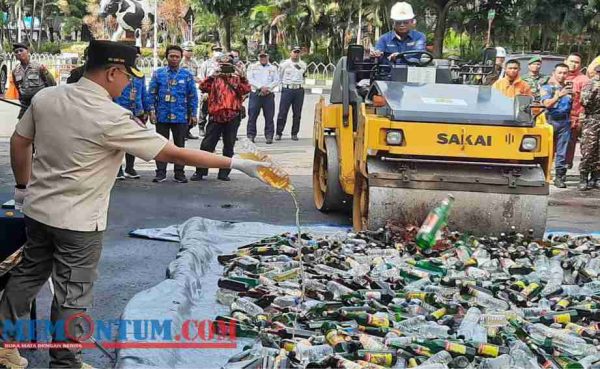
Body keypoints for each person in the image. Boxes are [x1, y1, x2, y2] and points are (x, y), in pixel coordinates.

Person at [2, 40, 268, 369]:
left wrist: (21, 186)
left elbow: (19, 140)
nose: (129, 83)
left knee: (28, 275)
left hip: (37, 210)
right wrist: (236, 163)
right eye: (128, 77)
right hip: (79, 223)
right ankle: (66, 363)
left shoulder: (46, 97)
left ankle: (4, 345)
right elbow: (173, 153)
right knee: (74, 294)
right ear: (112, 72)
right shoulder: (111, 117)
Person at [192, 54, 251, 181]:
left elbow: (246, 90)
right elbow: (202, 87)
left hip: (233, 115)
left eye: (228, 66)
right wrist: (212, 75)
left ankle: (224, 173)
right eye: (222, 66)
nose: (225, 69)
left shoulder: (236, 79)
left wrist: (242, 76)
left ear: (232, 65)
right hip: (216, 116)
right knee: (207, 145)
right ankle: (200, 171)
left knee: (229, 146)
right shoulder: (214, 79)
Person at [148, 45, 198, 183]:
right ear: (167, 57)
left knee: (179, 146)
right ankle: (160, 172)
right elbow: (151, 94)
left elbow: (193, 96)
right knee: (160, 146)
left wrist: (193, 114)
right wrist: (151, 111)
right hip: (162, 115)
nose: (174, 59)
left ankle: (179, 173)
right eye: (172, 56)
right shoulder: (158, 74)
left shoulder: (186, 75)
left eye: (177, 56)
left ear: (181, 58)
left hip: (181, 116)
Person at [114, 46, 149, 180]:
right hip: (120, 110)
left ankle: (130, 167)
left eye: (137, 57)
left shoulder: (139, 74)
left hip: (137, 111)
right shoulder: (118, 72)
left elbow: (143, 93)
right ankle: (118, 169)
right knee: (118, 142)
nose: (135, 59)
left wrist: (146, 109)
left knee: (132, 141)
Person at [541, 63, 573, 188]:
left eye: (565, 73)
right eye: (559, 72)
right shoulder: (547, 88)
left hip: (564, 122)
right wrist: (558, 96)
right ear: (554, 73)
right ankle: (544, 174)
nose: (562, 75)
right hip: (550, 120)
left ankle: (559, 176)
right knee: (546, 150)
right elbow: (546, 104)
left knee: (562, 152)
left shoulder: (569, 88)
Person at [11, 43, 56, 118]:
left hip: (40, 102)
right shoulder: (15, 71)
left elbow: (52, 83)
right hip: (25, 104)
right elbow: (17, 86)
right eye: (16, 52)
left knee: (42, 125)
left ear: (27, 51)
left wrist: (46, 72)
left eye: (21, 50)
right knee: (21, 127)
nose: (19, 53)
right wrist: (21, 97)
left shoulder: (39, 67)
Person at [246, 50, 280, 144]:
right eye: (261, 57)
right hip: (256, 94)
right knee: (252, 115)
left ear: (268, 57)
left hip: (268, 94)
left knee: (269, 116)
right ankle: (251, 135)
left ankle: (269, 136)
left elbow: (277, 80)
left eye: (264, 56)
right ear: (258, 57)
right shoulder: (252, 67)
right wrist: (261, 87)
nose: (263, 58)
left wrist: (267, 88)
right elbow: (250, 79)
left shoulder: (273, 68)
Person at [565, 52, 590, 169]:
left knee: (570, 144)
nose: (573, 64)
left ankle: (565, 167)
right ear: (566, 61)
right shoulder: (558, 75)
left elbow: (586, 102)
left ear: (580, 65)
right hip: (557, 117)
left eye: (577, 62)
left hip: (575, 118)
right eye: (571, 61)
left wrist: (581, 118)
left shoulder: (584, 80)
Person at [276, 46, 307, 141]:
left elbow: (304, 75)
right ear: (290, 53)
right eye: (294, 52)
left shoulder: (303, 64)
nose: (296, 54)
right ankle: (278, 133)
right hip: (287, 89)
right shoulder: (285, 64)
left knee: (297, 113)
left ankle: (294, 133)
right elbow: (279, 76)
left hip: (298, 90)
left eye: (298, 52)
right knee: (282, 112)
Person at [578, 64, 600, 190]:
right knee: (589, 149)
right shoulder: (590, 84)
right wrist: (594, 91)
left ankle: (596, 177)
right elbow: (584, 102)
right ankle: (583, 177)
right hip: (592, 119)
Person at [198, 44, 224, 136]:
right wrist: (204, 92)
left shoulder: (223, 64)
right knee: (204, 110)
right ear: (212, 52)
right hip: (208, 91)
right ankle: (201, 127)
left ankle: (215, 130)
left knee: (217, 111)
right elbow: (202, 77)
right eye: (216, 50)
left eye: (219, 50)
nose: (218, 52)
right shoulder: (206, 64)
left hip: (219, 92)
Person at [181, 41, 201, 140]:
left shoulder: (194, 63)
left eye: (191, 51)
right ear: (183, 51)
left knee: (191, 110)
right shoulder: (180, 62)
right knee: (182, 111)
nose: (190, 52)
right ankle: (182, 132)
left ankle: (188, 130)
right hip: (181, 89)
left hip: (191, 89)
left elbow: (197, 74)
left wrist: (197, 79)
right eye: (188, 50)